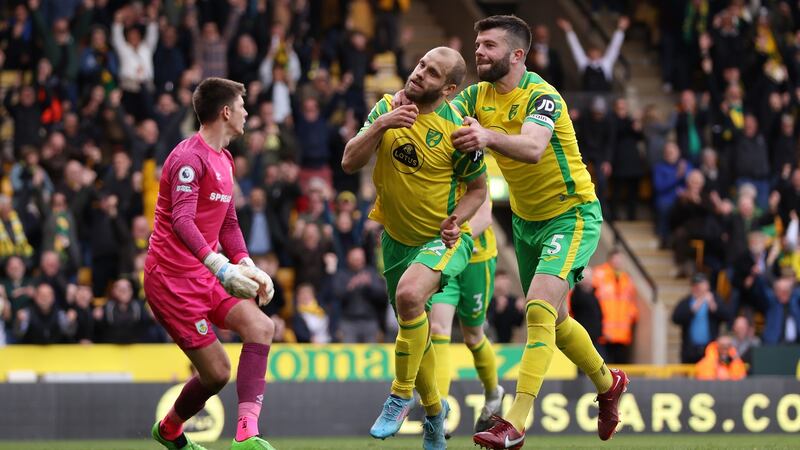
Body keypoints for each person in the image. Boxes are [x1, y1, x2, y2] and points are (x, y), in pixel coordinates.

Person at [407, 15, 627, 447]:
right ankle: (609, 383)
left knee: (539, 309)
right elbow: (436, 115)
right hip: (526, 223)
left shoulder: (542, 96)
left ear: (517, 55)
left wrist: (485, 136)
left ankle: (515, 422)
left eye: (488, 45)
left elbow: (532, 147)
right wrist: (402, 106)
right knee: (557, 321)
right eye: (477, 44)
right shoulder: (476, 96)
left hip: (571, 214)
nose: (478, 52)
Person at [342, 46, 487, 450]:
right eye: (421, 64)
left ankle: (399, 395)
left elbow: (479, 190)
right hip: (395, 243)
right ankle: (436, 418)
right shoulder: (387, 108)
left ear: (450, 89)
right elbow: (349, 161)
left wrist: (456, 219)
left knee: (409, 297)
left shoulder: (460, 131)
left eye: (433, 72)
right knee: (415, 330)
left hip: (441, 239)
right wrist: (382, 124)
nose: (420, 73)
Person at [144, 78, 277, 450]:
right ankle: (169, 429)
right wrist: (221, 267)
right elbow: (182, 221)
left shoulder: (225, 158)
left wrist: (246, 263)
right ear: (226, 112)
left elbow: (229, 221)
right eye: (242, 105)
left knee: (261, 327)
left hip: (206, 273)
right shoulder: (188, 157)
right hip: (171, 281)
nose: (247, 112)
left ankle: (247, 434)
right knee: (217, 373)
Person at [430, 191, 504, 435]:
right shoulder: (434, 174)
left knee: (472, 335)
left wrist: (455, 236)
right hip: (446, 259)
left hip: (476, 260)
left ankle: (493, 393)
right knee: (438, 329)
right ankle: (438, 413)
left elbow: (484, 218)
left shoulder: (473, 168)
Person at [592, 248, 639, 364]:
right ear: (610, 259)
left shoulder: (626, 279)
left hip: (623, 334)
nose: (619, 262)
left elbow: (631, 302)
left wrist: (632, 316)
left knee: (620, 369)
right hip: (604, 333)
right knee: (604, 369)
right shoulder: (599, 275)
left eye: (621, 260)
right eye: (616, 259)